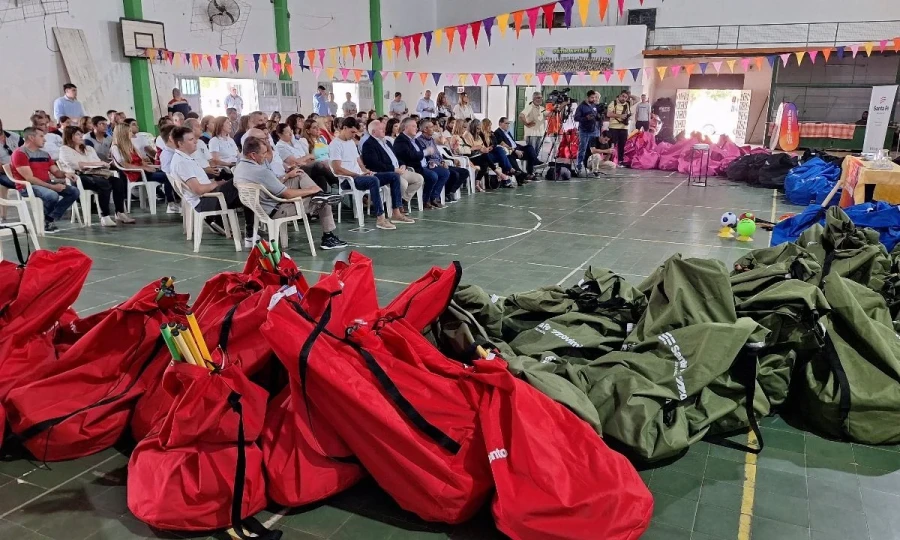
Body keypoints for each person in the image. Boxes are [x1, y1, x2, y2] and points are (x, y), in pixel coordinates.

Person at [235, 137, 347, 250]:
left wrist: (287, 176)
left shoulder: (239, 169)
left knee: (299, 174)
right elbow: (287, 194)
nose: (265, 156)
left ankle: (319, 194)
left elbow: (269, 185)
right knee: (323, 202)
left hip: (261, 208)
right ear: (253, 155)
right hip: (278, 209)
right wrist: (310, 190)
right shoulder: (261, 171)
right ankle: (328, 237)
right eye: (263, 153)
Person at [169, 126, 256, 244]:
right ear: (180, 143)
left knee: (246, 187)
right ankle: (251, 235)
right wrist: (215, 184)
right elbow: (198, 190)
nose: (195, 141)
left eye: (194, 138)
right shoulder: (182, 162)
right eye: (190, 140)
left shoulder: (186, 158)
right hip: (206, 200)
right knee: (247, 188)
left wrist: (217, 184)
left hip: (211, 195)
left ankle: (247, 232)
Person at [329, 117, 411, 230]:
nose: (354, 135)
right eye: (352, 132)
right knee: (374, 180)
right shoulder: (335, 144)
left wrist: (365, 171)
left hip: (360, 176)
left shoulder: (351, 143)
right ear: (344, 128)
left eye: (355, 133)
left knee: (394, 176)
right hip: (348, 180)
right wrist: (357, 175)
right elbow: (337, 169)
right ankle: (380, 217)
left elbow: (358, 161)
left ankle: (396, 212)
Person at [9, 127, 80, 233]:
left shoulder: (45, 154)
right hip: (27, 186)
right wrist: (52, 186)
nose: (45, 140)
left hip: (45, 183)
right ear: (31, 137)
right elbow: (30, 179)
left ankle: (49, 218)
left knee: (74, 191)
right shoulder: (20, 153)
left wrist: (66, 174)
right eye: (41, 136)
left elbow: (56, 172)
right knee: (52, 195)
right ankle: (48, 221)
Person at [58, 126, 126, 226]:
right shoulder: (64, 149)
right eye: (77, 134)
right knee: (104, 184)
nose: (81, 136)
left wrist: (101, 164)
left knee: (117, 182)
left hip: (95, 174)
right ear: (69, 137)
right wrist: (95, 164)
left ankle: (120, 212)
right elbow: (76, 165)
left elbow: (97, 161)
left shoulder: (88, 148)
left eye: (81, 134)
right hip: (77, 177)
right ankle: (105, 216)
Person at [110, 124, 178, 213]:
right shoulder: (116, 148)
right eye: (129, 131)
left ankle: (173, 201)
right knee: (168, 176)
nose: (132, 133)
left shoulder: (131, 146)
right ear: (123, 133)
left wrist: (147, 166)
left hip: (144, 172)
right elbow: (125, 165)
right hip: (137, 174)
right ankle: (171, 203)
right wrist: (144, 168)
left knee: (170, 174)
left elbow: (141, 161)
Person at [361, 120, 424, 214]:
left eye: (384, 128)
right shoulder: (368, 145)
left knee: (419, 178)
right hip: (385, 172)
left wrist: (402, 164)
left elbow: (395, 157)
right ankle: (396, 206)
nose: (384, 130)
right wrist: (393, 169)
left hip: (398, 169)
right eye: (381, 129)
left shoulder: (387, 142)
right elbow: (374, 164)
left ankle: (401, 201)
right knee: (403, 184)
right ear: (373, 132)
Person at [393, 117, 448, 209]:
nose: (417, 128)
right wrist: (426, 152)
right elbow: (411, 155)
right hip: (414, 167)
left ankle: (433, 197)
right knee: (432, 176)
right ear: (406, 128)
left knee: (444, 172)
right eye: (414, 126)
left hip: (425, 165)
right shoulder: (401, 140)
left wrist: (429, 161)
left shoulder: (413, 139)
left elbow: (420, 154)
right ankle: (424, 200)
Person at [417, 119, 469, 203]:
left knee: (464, 172)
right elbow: (426, 158)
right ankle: (435, 197)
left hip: (440, 163)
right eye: (431, 127)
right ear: (425, 129)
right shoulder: (420, 141)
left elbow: (437, 154)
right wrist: (439, 164)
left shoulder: (431, 140)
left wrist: (443, 162)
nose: (433, 128)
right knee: (451, 173)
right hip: (431, 165)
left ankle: (449, 192)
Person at [574, 90, 602, 173]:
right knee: (583, 149)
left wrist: (599, 116)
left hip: (594, 130)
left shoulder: (594, 106)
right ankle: (579, 166)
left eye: (595, 97)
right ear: (588, 97)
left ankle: (592, 167)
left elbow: (597, 117)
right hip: (584, 131)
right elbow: (576, 118)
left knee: (594, 149)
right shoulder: (581, 106)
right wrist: (586, 118)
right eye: (592, 97)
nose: (594, 99)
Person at [606, 91, 632, 165]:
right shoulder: (613, 103)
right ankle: (610, 160)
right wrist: (620, 116)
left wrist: (629, 95)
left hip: (624, 128)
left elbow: (637, 98)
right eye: (622, 96)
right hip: (614, 127)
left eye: (626, 97)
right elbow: (608, 114)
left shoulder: (628, 104)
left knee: (622, 145)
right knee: (612, 144)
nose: (624, 98)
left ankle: (620, 161)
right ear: (619, 96)